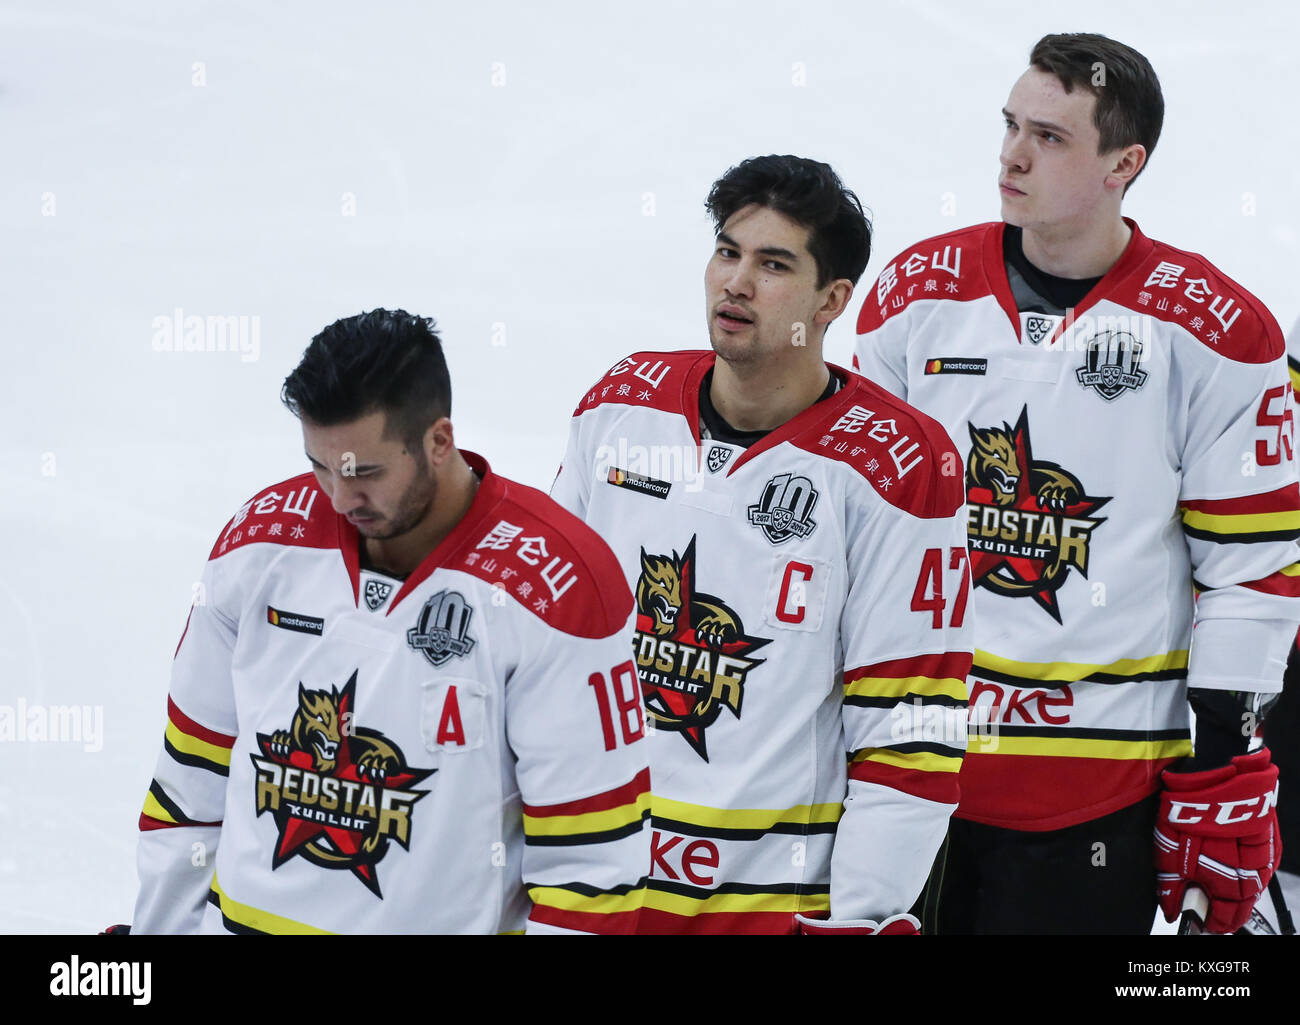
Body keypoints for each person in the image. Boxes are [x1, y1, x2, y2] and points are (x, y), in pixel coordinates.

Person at [854, 33, 1296, 934]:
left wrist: (1223, 754)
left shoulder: (1217, 335)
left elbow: (1249, 570)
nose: (1012, 156)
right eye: (1011, 126)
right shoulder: (915, 298)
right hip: (909, 773)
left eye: (1050, 137)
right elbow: (860, 536)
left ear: (1123, 164)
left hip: (1099, 786)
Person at [551, 155, 973, 934]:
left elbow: (909, 727)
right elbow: (541, 654)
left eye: (773, 264)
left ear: (832, 299)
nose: (736, 282)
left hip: (770, 910)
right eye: (727, 252)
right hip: (592, 891)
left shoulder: (898, 465)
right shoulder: (621, 409)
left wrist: (860, 917)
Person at [132, 309, 650, 934]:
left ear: (438, 441)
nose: (339, 497)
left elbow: (592, 874)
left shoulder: (558, 589)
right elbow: (189, 782)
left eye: (364, 473)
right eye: (320, 466)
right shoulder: (259, 547)